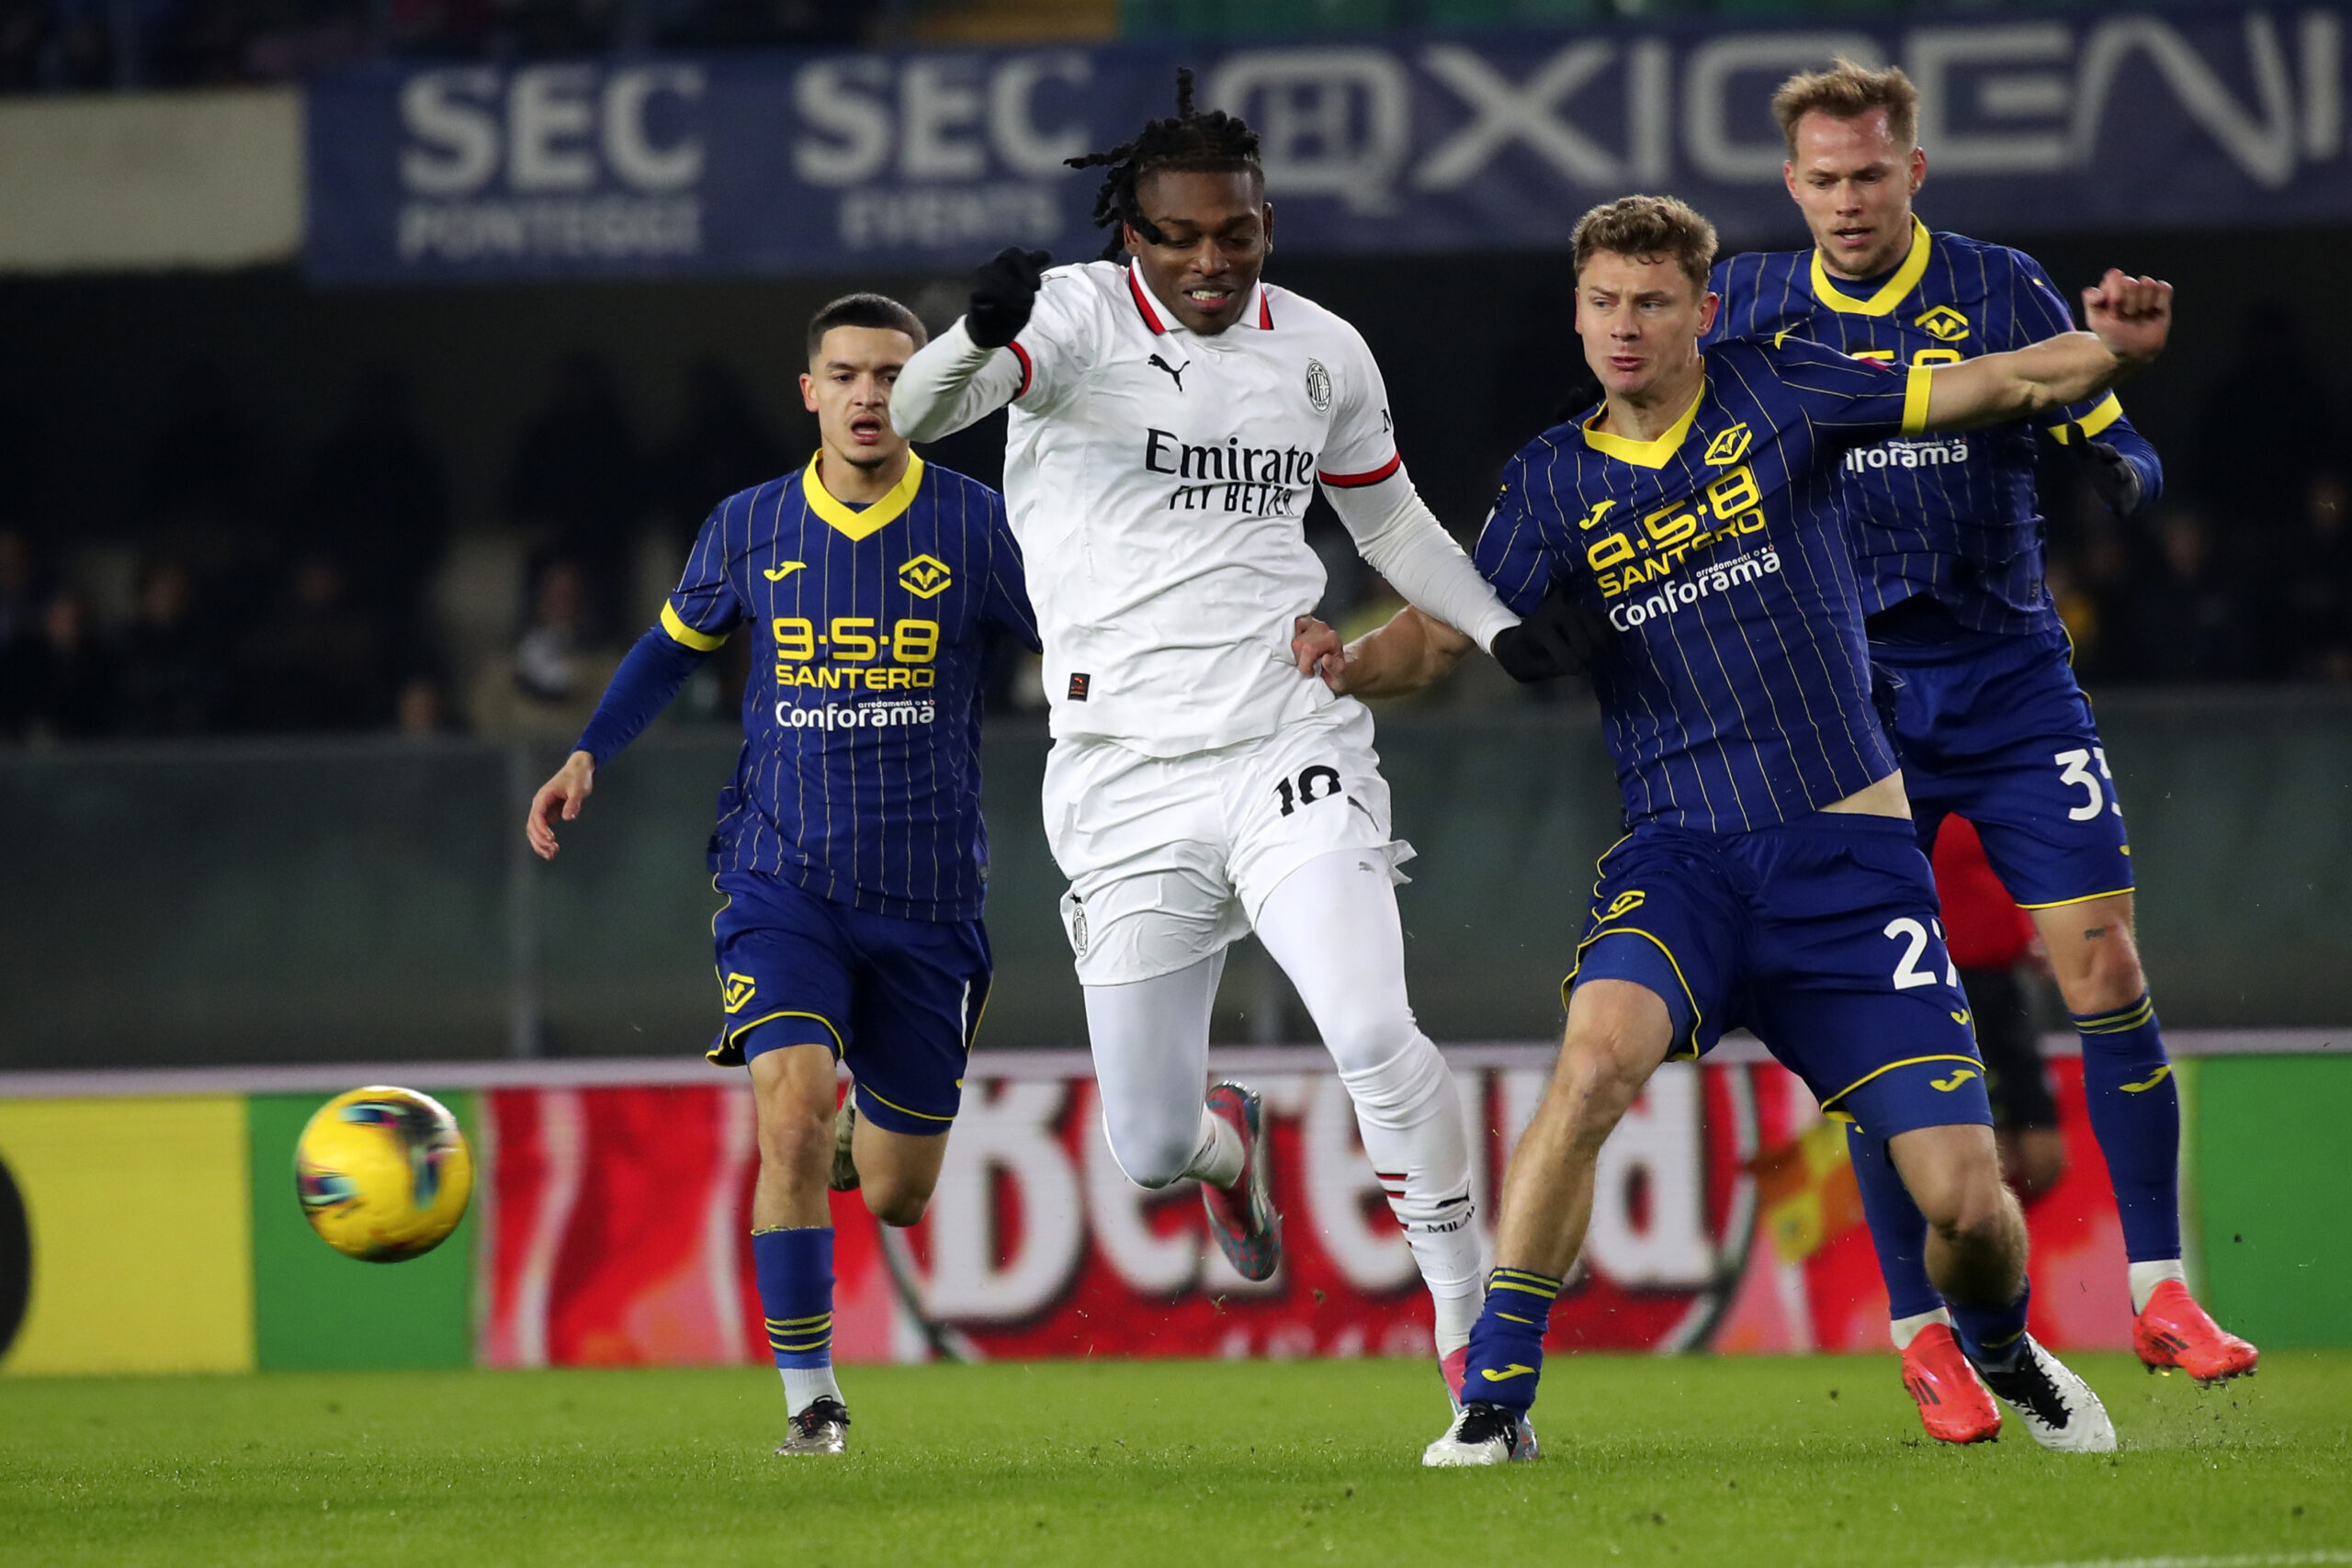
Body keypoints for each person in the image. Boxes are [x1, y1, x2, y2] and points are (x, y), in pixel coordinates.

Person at [1319, 194, 2166, 1463]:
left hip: (1850, 865)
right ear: (1578, 311)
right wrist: (1340, 666)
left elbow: (1995, 380)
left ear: (1702, 313)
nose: (1624, 326)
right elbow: (1435, 635)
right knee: (1595, 1056)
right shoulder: (1551, 484)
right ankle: (1494, 1400)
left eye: (1652, 302)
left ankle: (2004, 1345)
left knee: (1969, 1208)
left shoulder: (1789, 395)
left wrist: (2113, 355)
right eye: (1603, 301)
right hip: (1686, 855)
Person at [890, 73, 1555, 1424]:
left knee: (1372, 1023)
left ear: (1266, 223)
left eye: (1235, 234)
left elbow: (1392, 524)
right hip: (1120, 772)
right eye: (1178, 235)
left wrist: (1496, 628)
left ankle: (1474, 1347)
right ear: (1128, 232)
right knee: (1146, 1141)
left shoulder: (1321, 350)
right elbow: (915, 417)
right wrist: (974, 329)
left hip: (1281, 734)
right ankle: (1222, 1140)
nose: (1208, 260)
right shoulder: (1068, 320)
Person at [1708, 62, 2256, 1437]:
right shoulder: (1755, 312)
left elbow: (2111, 435)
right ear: (1792, 186)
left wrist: (2122, 446)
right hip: (1851, 704)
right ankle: (1920, 1331)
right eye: (1822, 179)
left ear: (1913, 169)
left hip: (2011, 683)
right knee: (1882, 1023)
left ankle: (2160, 1288)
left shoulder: (2001, 286)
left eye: (1869, 174)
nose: (1846, 200)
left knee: (2107, 960)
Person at [525, 293, 1040, 1457]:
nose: (868, 395)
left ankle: (870, 1138)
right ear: (808, 392)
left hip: (929, 900)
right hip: (778, 881)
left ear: (926, 393)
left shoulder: (981, 528)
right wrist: (586, 752)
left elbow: (1082, 644)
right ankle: (812, 1401)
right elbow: (667, 648)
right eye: (845, 375)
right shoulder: (749, 526)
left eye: (891, 376)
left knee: (900, 1193)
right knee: (792, 1113)